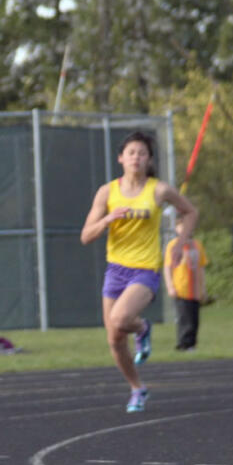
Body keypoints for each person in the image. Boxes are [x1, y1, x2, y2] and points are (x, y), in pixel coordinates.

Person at [80, 131, 198, 413]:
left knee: (121, 319)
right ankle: (137, 388)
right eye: (131, 152)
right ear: (121, 158)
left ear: (149, 160)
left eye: (142, 153)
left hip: (145, 269)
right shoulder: (107, 192)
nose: (136, 157)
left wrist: (180, 244)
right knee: (114, 339)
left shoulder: (158, 190)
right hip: (115, 270)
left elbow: (190, 212)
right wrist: (108, 219)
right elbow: (86, 236)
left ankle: (143, 328)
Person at [164, 216, 207, 351]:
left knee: (194, 318)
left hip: (194, 289)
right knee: (184, 317)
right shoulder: (173, 245)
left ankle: (192, 344)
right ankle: (183, 344)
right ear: (177, 229)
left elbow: (201, 268)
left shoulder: (197, 245)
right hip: (181, 288)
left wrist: (203, 288)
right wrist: (170, 286)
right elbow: (168, 267)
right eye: (181, 227)